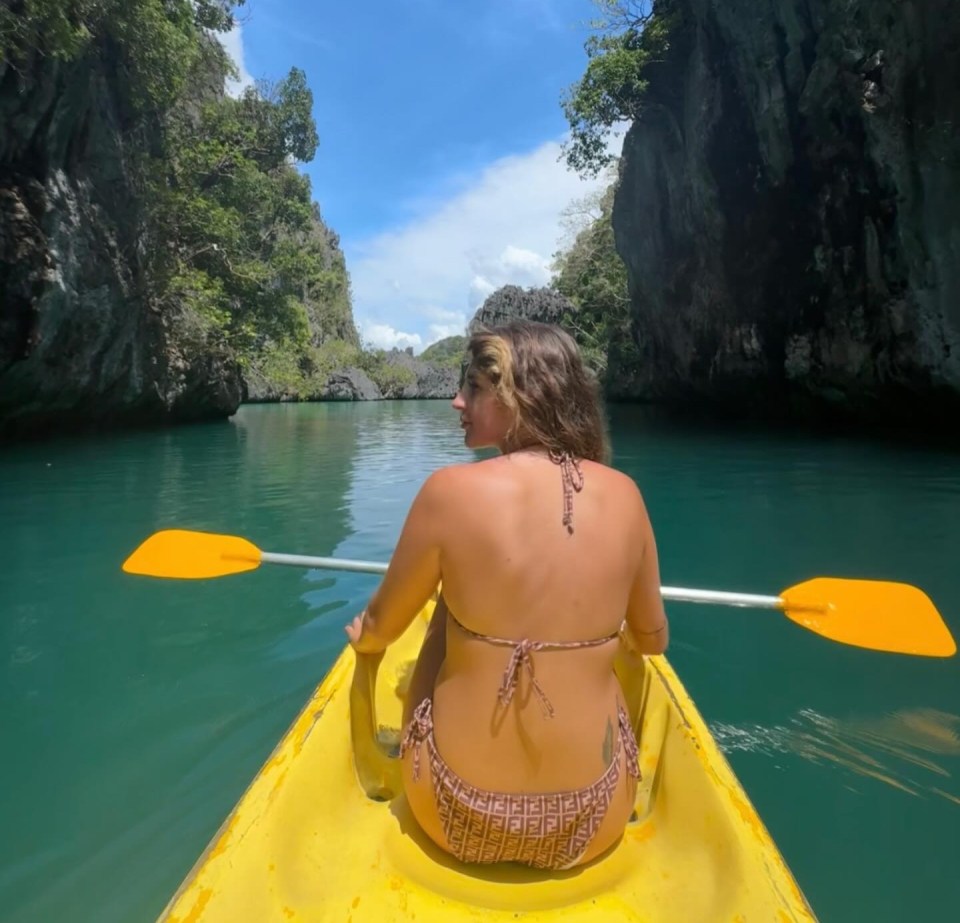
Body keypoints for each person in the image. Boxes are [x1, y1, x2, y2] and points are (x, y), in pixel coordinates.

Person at [345, 320, 668, 871]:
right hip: (592, 822)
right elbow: (652, 641)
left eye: (473, 386)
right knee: (621, 653)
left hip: (450, 815)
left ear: (519, 394)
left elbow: (380, 627)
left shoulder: (448, 492)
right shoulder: (627, 496)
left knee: (448, 606)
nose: (456, 401)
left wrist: (367, 638)